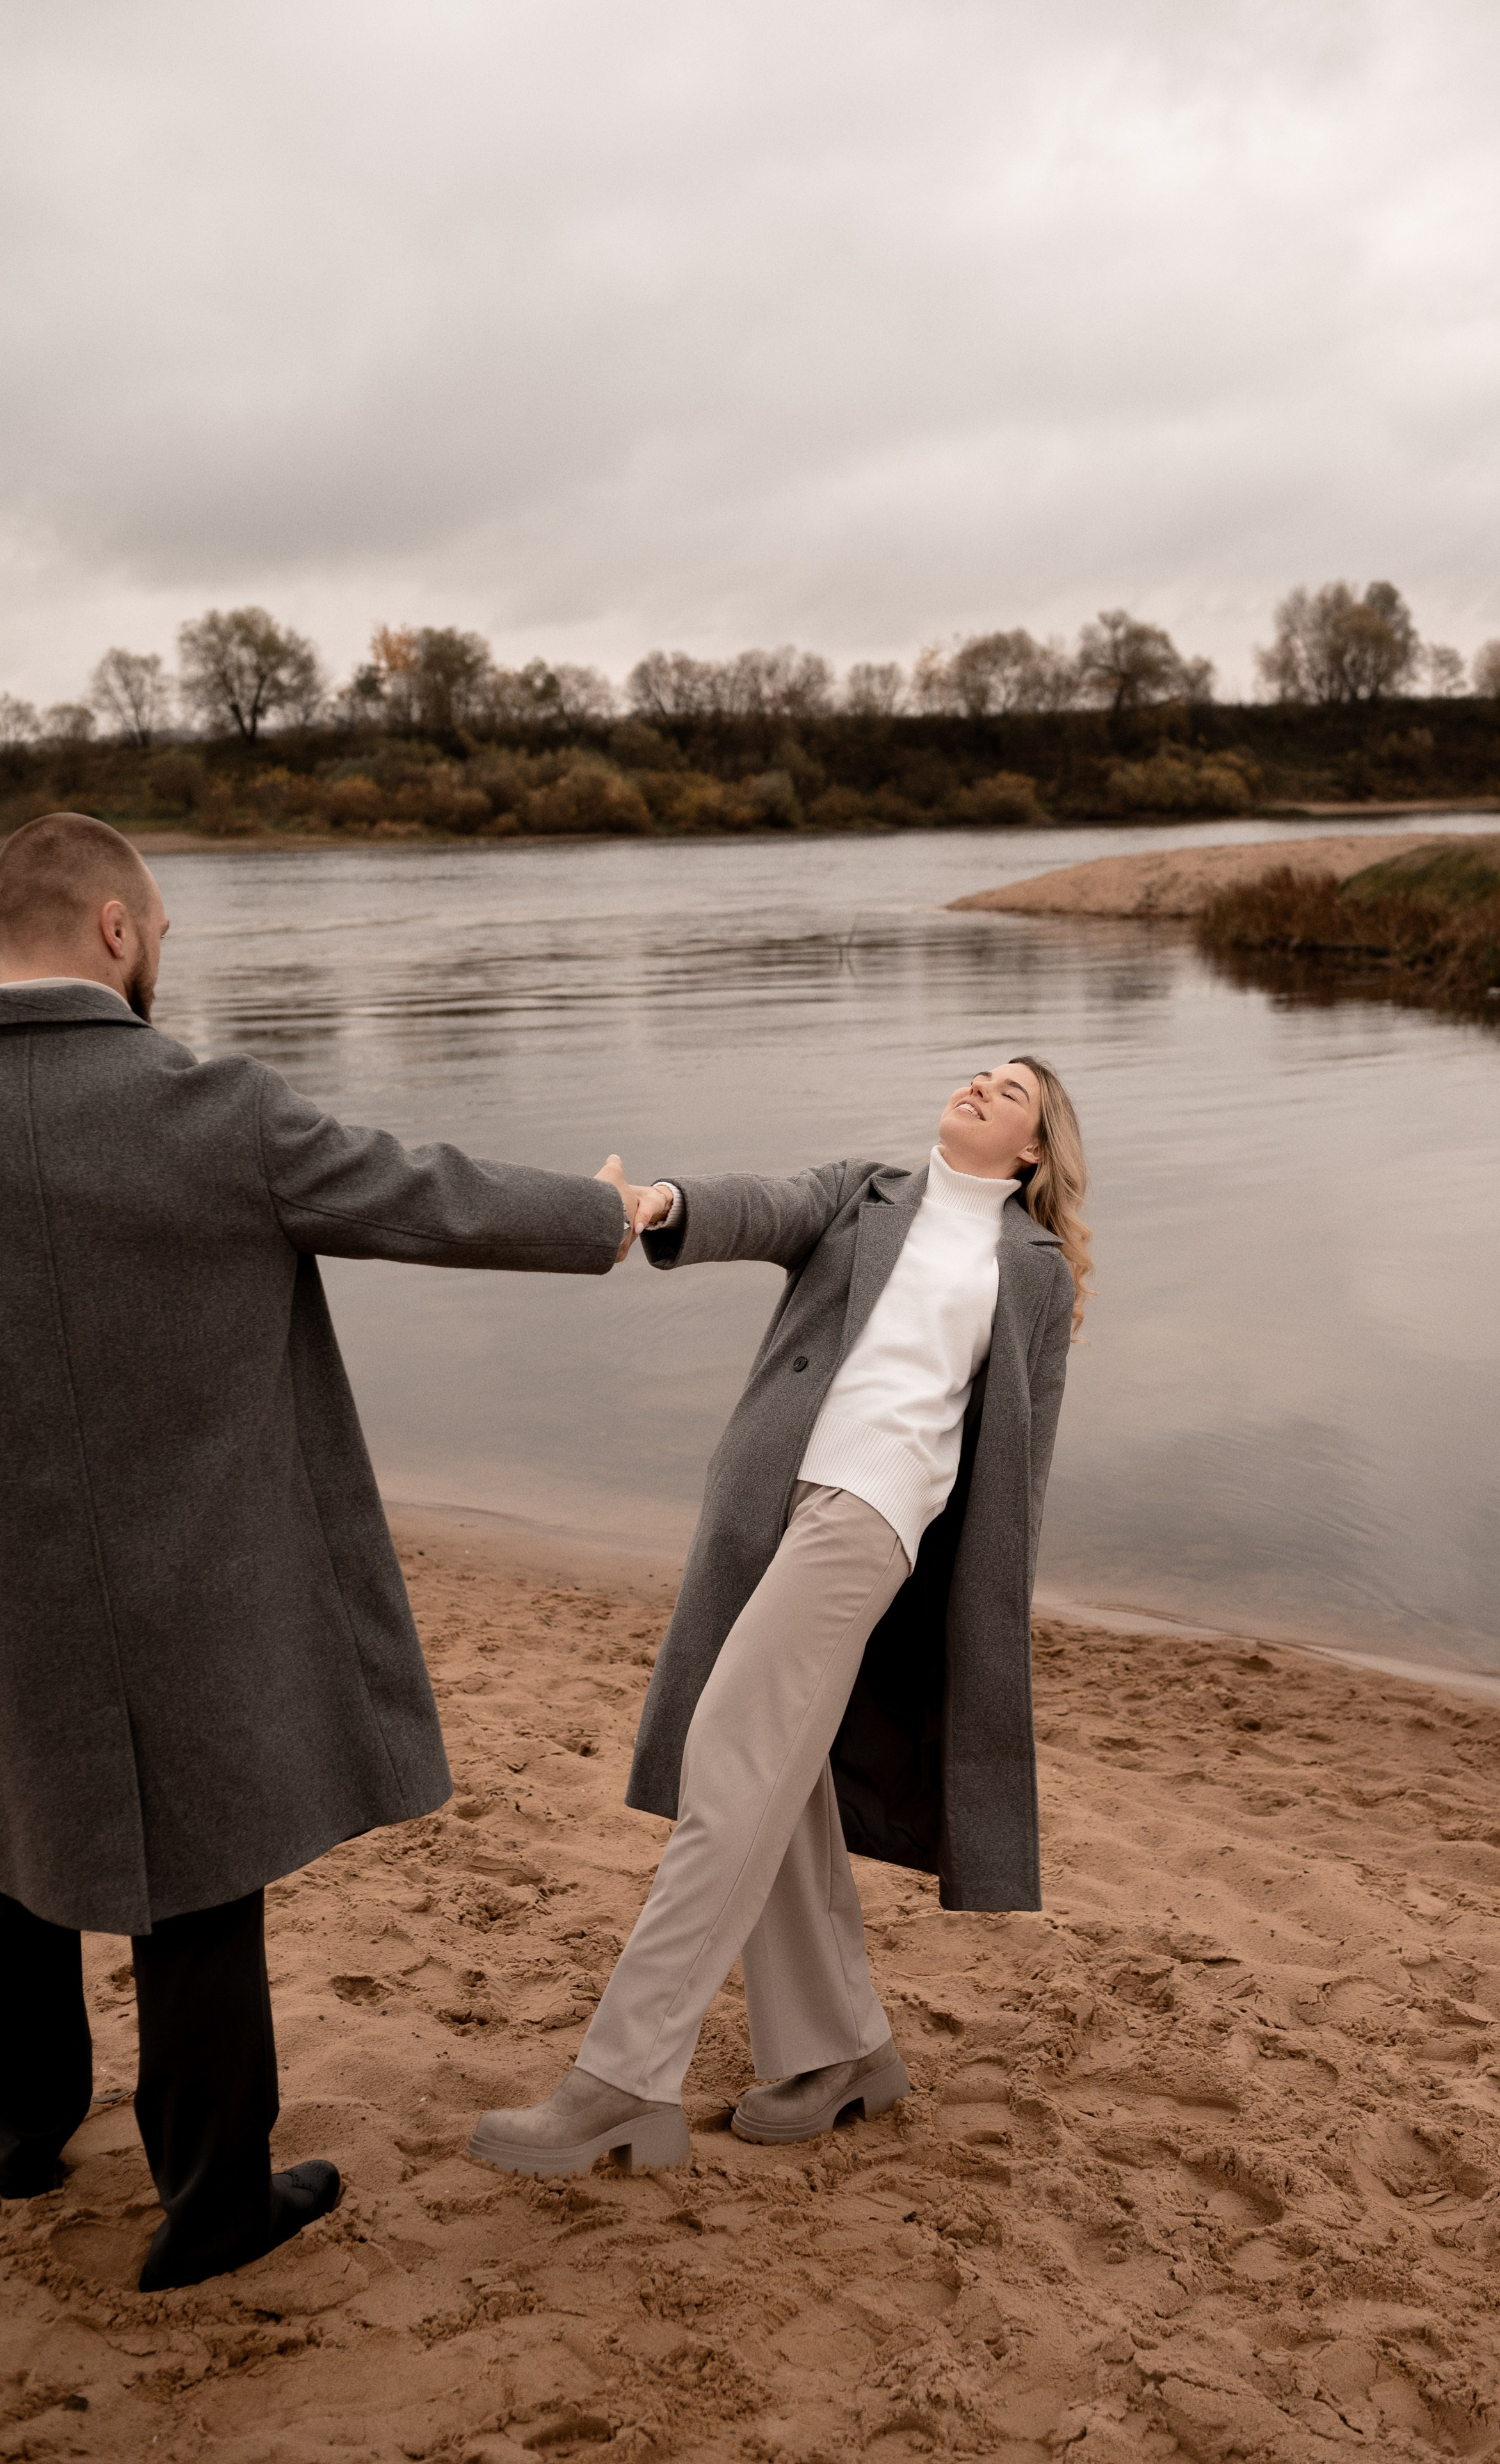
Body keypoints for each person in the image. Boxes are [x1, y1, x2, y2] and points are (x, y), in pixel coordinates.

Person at [0, 811, 652, 2290]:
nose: (161, 952)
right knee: (194, 1881)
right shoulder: (209, 1107)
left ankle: (23, 2134)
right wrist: (604, 1217)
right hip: (176, 1580)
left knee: (6, 1831)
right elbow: (421, 1193)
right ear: (115, 928)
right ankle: (210, 2201)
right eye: (159, 930)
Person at [469, 1055, 1089, 2177]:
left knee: (732, 1755)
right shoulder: (867, 1192)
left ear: (1036, 1152)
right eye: (981, 1071)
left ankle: (623, 2077)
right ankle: (844, 2049)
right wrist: (658, 1202)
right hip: (768, 1503)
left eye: (1014, 1091)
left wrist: (985, 1615)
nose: (984, 1086)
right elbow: (765, 1203)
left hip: (877, 1510)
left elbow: (1022, 1467)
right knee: (778, 1773)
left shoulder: (1036, 1271)